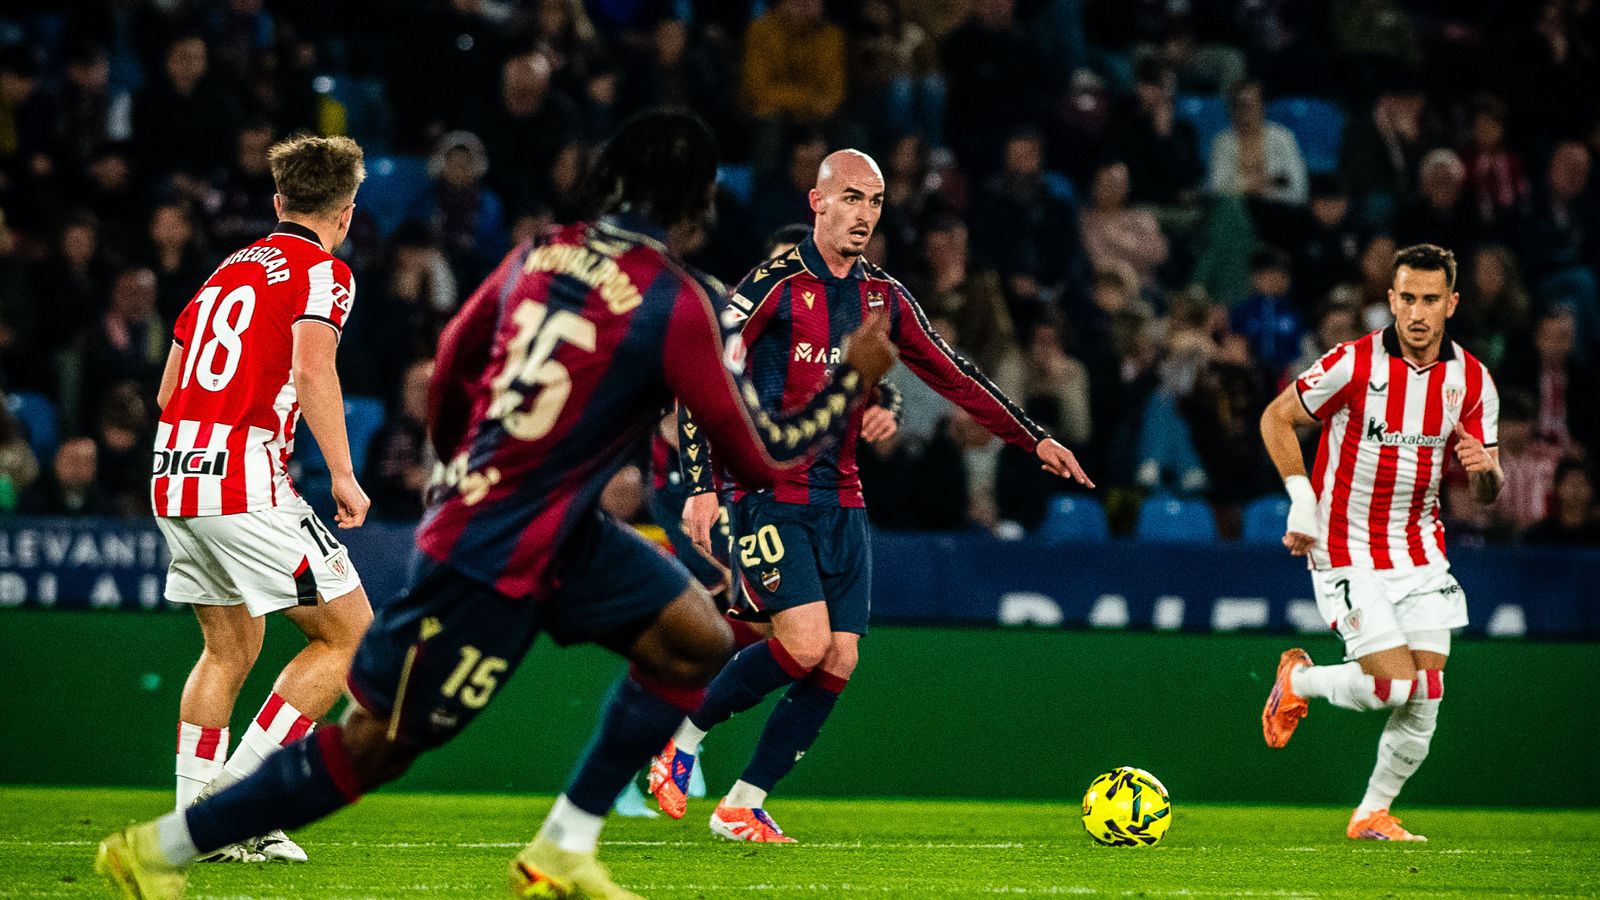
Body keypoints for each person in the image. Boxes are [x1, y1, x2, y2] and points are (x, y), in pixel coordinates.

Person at [96, 109, 894, 900]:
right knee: (380, 739)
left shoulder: (541, 256)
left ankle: (565, 846)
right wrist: (851, 382)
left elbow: (450, 363)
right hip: (502, 540)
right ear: (697, 205)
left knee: (692, 637)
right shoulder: (681, 299)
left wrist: (453, 464)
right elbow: (760, 453)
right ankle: (173, 842)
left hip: (535, 520)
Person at [650, 148, 1093, 841]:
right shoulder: (771, 283)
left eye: (875, 203)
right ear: (816, 203)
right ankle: (678, 740)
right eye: (851, 198)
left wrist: (1031, 437)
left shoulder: (881, 295)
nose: (864, 215)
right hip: (768, 487)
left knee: (840, 656)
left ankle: (742, 802)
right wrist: (701, 489)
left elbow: (954, 373)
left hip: (843, 495)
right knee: (801, 642)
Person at [146, 135, 376, 865]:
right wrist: (342, 471)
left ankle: (194, 814)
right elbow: (314, 370)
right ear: (346, 213)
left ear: (279, 203)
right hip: (239, 473)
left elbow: (166, 389)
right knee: (350, 634)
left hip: (173, 468)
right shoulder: (325, 271)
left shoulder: (228, 267)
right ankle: (234, 811)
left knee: (229, 646)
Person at [1258, 243, 1502, 842]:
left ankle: (1372, 813)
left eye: (1431, 300)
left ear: (1452, 303)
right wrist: (1302, 502)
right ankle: (1300, 681)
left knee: (1427, 694)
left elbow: (1491, 490)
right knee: (1392, 686)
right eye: (1407, 299)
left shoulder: (1472, 381)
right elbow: (1275, 418)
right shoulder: (1352, 364)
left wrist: (1487, 472)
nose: (1418, 313)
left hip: (1418, 549)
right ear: (1390, 300)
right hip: (1344, 543)